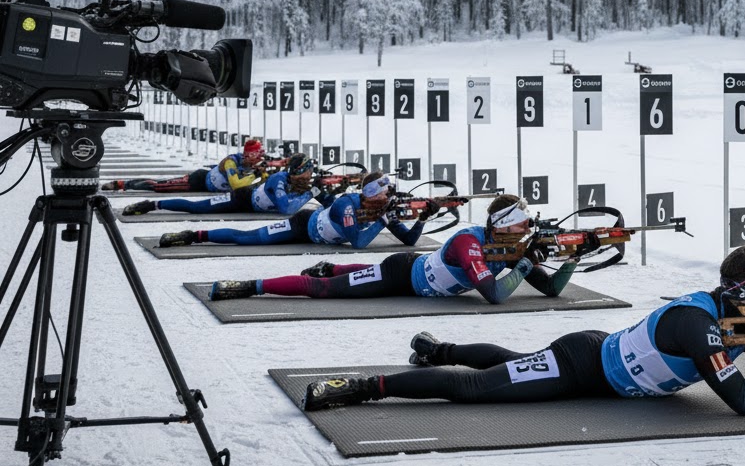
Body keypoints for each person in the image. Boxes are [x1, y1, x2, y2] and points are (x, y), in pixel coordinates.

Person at [301, 245, 745, 413]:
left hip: (602, 376)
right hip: (584, 363)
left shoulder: (743, 320)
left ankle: (440, 348)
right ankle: (362, 387)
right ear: (741, 294)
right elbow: (743, 398)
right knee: (477, 389)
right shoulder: (698, 322)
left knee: (507, 359)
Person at [207, 193, 582, 303]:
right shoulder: (470, 242)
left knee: (338, 279)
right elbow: (495, 294)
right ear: (501, 225)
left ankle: (333, 268)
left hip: (416, 277)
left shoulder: (511, 246)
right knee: (323, 292)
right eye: (522, 222)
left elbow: (550, 289)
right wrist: (525, 264)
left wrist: (574, 256)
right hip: (400, 274)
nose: (527, 228)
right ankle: (250, 286)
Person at [157, 171, 427, 250]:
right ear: (371, 194)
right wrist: (382, 221)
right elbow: (357, 242)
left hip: (315, 232)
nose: (389, 196)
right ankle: (196, 235)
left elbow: (409, 240)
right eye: (384, 191)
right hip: (301, 225)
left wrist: (423, 218)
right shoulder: (347, 204)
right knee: (248, 238)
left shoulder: (381, 207)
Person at [122, 153, 320, 218]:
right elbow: (286, 208)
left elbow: (322, 197)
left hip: (250, 201)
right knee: (197, 208)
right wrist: (311, 192)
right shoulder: (279, 180)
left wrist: (327, 191)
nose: (310, 174)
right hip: (241, 198)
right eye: (308, 170)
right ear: (298, 171)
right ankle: (152, 205)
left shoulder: (296, 180)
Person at [101, 138, 266, 193]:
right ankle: (123, 184)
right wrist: (256, 175)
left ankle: (124, 183)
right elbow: (236, 184)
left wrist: (264, 173)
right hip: (198, 181)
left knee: (161, 183)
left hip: (206, 183)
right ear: (250, 155)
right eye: (257, 155)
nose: (260, 159)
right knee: (159, 186)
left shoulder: (250, 164)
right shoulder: (232, 161)